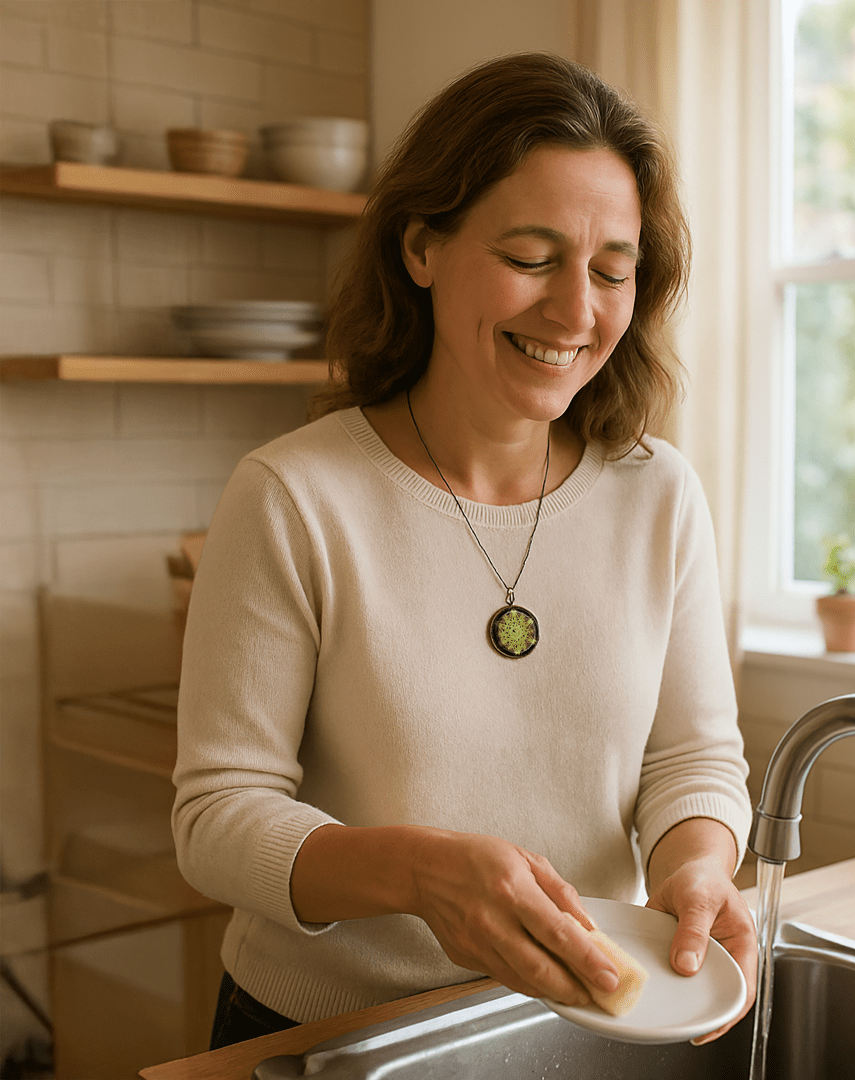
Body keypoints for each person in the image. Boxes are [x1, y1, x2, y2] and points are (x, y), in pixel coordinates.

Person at [172, 51, 756, 1052]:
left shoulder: (660, 495)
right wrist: (415, 871)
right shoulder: (293, 496)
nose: (576, 312)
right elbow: (217, 818)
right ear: (421, 248)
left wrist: (695, 866)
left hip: (587, 1024)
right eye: (531, 258)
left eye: (611, 270)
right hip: (331, 1035)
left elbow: (691, 758)